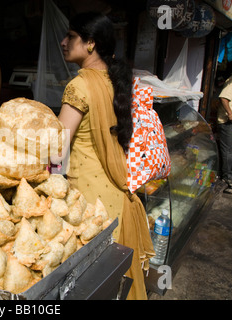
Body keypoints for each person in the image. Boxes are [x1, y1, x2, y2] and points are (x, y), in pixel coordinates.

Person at [56, 12, 154, 300]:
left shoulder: (79, 86)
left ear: (90, 43)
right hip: (116, 197)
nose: (63, 42)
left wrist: (43, 180)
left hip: (87, 202)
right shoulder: (116, 81)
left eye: (70, 36)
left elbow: (55, 150)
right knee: (110, 285)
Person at [217, 59, 232, 188]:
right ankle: (229, 177)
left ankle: (228, 175)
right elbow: (224, 97)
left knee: (231, 149)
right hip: (228, 120)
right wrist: (230, 113)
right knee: (229, 150)